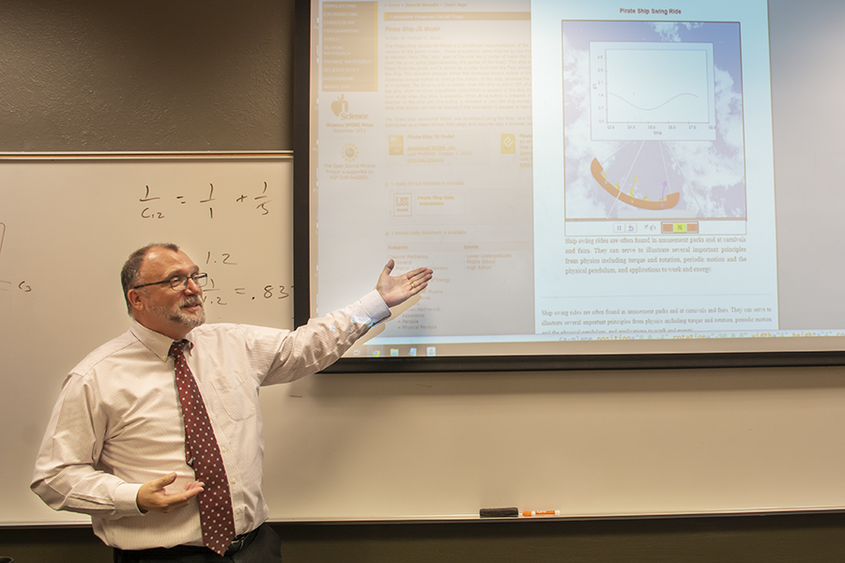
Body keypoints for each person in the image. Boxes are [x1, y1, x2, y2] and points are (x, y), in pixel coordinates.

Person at [31, 243, 433, 562]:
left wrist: (376, 302)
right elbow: (55, 476)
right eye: (175, 280)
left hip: (253, 549)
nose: (192, 288)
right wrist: (132, 497)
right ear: (137, 299)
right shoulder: (97, 377)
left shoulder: (230, 343)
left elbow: (305, 346)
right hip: (162, 558)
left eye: (194, 276)